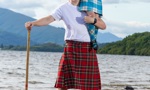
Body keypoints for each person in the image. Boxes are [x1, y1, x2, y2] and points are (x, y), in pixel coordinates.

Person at [25, 0, 106, 90]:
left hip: (87, 48)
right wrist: (33, 23)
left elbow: (103, 26)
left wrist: (93, 20)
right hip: (70, 47)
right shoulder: (63, 8)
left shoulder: (88, 8)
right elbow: (48, 19)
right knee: (62, 83)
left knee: (90, 86)